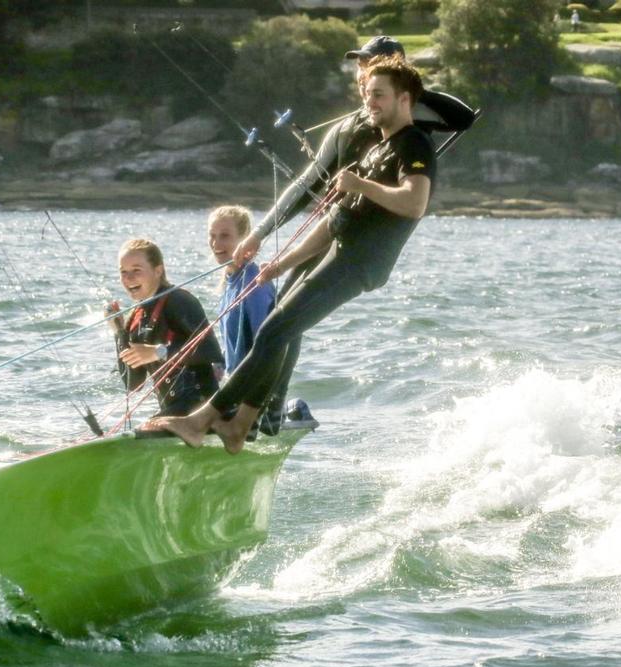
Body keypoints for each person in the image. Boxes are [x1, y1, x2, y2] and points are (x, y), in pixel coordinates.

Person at [152, 58, 436, 453]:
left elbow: (415, 202)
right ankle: (238, 427)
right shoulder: (377, 147)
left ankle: (202, 421)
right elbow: (333, 223)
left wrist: (360, 184)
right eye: (366, 93)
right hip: (341, 250)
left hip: (360, 263)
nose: (368, 101)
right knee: (276, 329)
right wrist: (279, 265)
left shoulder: (414, 143)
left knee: (273, 331)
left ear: (404, 99)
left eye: (378, 94)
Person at [237, 36, 474, 434]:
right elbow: (305, 183)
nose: (362, 70)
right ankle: (261, 404)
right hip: (331, 226)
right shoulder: (349, 127)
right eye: (361, 65)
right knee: (281, 314)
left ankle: (268, 408)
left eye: (374, 64)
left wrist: (406, 83)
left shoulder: (412, 117)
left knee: (286, 322)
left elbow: (464, 118)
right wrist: (260, 233)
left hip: (361, 241)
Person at [111, 238, 223, 418]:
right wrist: (120, 333)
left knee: (147, 431)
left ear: (158, 270)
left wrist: (159, 352)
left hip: (203, 409)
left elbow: (211, 351)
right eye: (123, 272)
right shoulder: (136, 316)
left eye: (136, 270)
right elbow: (134, 384)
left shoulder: (179, 300)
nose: (128, 278)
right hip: (173, 413)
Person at [207, 205, 275, 375]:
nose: (215, 243)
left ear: (245, 238)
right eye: (212, 235)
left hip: (252, 390)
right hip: (235, 384)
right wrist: (221, 364)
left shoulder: (255, 283)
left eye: (225, 236)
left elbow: (265, 346)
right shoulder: (230, 281)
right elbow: (236, 344)